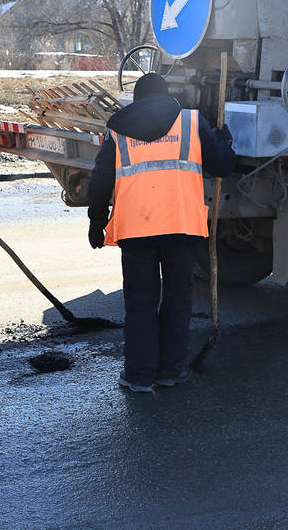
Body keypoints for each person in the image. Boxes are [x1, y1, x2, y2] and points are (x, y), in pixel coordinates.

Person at [87, 73, 235, 394]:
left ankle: (139, 376)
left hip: (137, 230)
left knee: (140, 305)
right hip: (182, 228)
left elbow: (99, 182)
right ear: (167, 96)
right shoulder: (192, 123)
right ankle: (171, 371)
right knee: (177, 301)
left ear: (138, 100)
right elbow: (223, 165)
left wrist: (95, 222)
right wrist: (225, 140)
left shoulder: (118, 129)